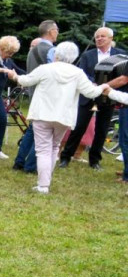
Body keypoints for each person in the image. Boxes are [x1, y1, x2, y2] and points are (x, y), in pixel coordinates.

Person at [14, 41, 128, 194]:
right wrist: (102, 87)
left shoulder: (45, 69)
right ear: (74, 57)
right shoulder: (77, 73)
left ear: (56, 54)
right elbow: (91, 93)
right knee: (54, 147)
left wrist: (14, 75)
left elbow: (25, 81)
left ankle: (42, 185)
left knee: (42, 150)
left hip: (42, 114)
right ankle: (45, 183)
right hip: (63, 117)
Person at [57, 27, 125, 170]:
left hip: (108, 97)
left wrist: (107, 87)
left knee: (102, 130)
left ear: (110, 38)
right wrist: (91, 84)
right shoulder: (88, 55)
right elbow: (82, 72)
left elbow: (122, 76)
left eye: (102, 36)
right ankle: (66, 157)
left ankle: (94, 160)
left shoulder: (120, 55)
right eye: (97, 37)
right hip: (88, 95)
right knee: (79, 127)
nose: (99, 39)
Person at [14, 20, 60, 174]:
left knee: (33, 130)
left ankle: (19, 162)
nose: (58, 33)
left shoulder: (33, 50)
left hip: (34, 92)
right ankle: (31, 166)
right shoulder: (51, 51)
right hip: (46, 95)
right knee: (44, 133)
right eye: (57, 30)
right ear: (51, 31)